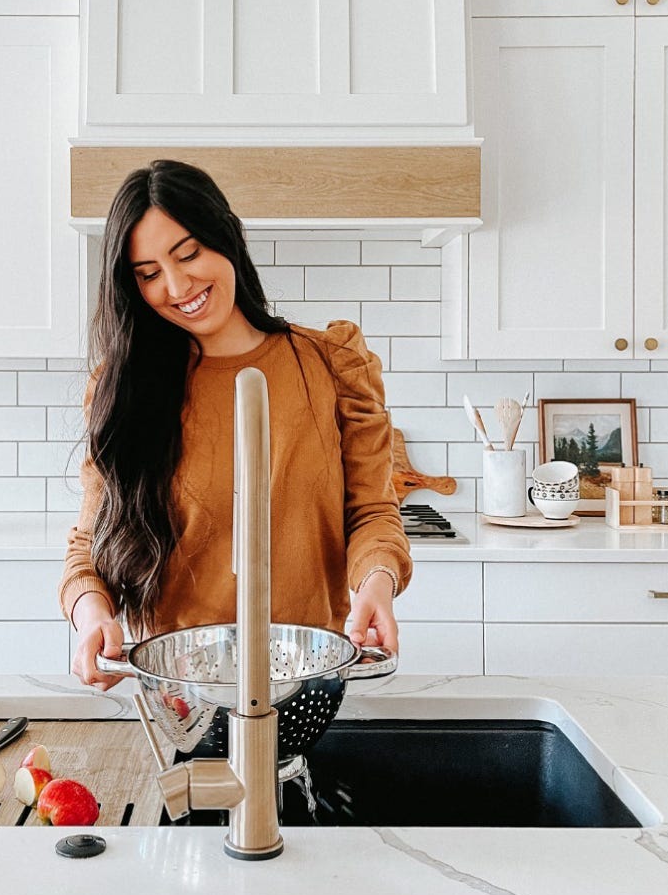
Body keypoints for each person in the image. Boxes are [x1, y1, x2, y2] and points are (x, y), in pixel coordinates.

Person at [60, 160, 412, 690]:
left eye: (189, 253)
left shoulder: (332, 363)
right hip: (182, 689)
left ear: (226, 236)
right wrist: (92, 614)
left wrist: (376, 582)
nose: (178, 286)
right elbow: (89, 544)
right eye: (149, 273)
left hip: (308, 679)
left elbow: (372, 513)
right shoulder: (126, 388)